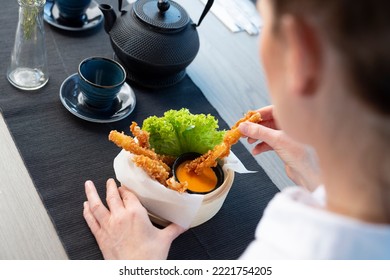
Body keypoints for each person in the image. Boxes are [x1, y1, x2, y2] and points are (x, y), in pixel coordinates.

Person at [83, 0, 390, 259]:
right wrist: (320, 184)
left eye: (265, 26)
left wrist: (138, 266)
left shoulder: (293, 253)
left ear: (301, 58)